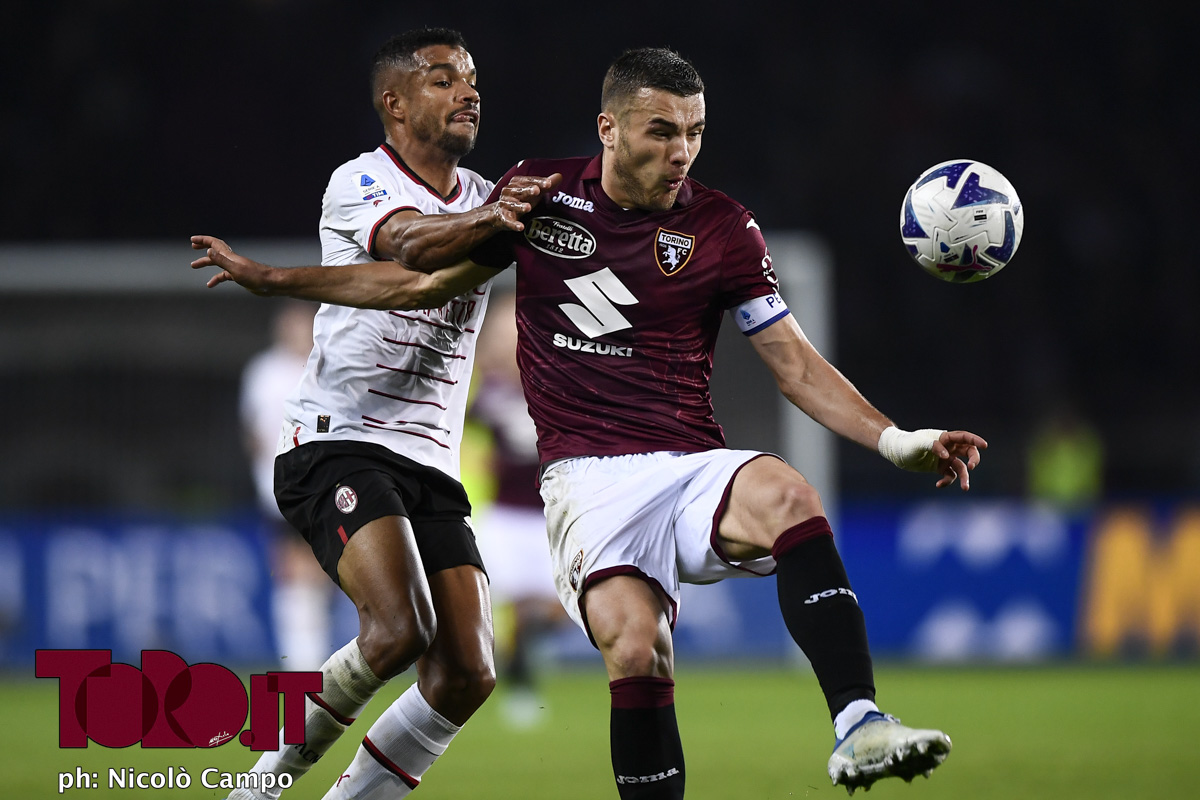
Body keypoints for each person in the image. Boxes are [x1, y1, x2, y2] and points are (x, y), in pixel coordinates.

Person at [194, 47, 985, 798]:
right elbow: (416, 285)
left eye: (696, 132)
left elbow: (796, 364)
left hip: (685, 465)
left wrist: (895, 439)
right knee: (637, 649)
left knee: (786, 492)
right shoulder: (539, 196)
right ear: (610, 129)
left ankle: (858, 721)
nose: (683, 151)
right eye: (664, 130)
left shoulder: (725, 228)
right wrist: (277, 281)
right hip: (587, 485)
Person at [191, 27, 557, 800]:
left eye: (473, 79)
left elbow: (414, 291)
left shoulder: (489, 199)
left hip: (430, 461)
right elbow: (413, 251)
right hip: (340, 441)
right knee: (397, 633)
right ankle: (254, 792)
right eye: (442, 79)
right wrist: (495, 223)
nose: (468, 92)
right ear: (393, 104)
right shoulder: (360, 181)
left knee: (467, 674)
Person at [468, 288, 568, 728]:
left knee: (565, 611)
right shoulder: (480, 393)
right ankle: (515, 680)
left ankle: (516, 656)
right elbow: (455, 437)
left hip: (552, 518)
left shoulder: (558, 386)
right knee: (498, 606)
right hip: (503, 516)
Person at [239, 299, 335, 671]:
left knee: (321, 574)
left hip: (325, 486)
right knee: (293, 571)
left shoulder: (324, 367)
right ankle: (303, 662)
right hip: (279, 488)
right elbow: (252, 430)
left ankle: (312, 657)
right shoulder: (264, 372)